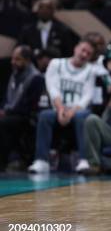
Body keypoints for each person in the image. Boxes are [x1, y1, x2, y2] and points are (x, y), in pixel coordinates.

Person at [28, 39, 97, 174]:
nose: (84, 54)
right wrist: (60, 109)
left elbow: (87, 97)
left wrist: (70, 112)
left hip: (78, 110)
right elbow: (52, 88)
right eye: (83, 50)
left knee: (83, 116)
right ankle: (41, 160)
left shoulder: (90, 70)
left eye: (88, 54)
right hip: (58, 108)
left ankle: (84, 160)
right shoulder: (56, 64)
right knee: (44, 116)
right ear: (75, 49)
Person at [0, 46, 45, 171]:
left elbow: (30, 105)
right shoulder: (14, 74)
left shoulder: (36, 78)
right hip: (12, 113)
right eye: (13, 59)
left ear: (27, 60)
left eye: (17, 59)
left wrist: (7, 112)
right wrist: (3, 109)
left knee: (3, 123)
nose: (13, 62)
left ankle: (5, 161)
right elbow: (7, 98)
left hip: (27, 117)